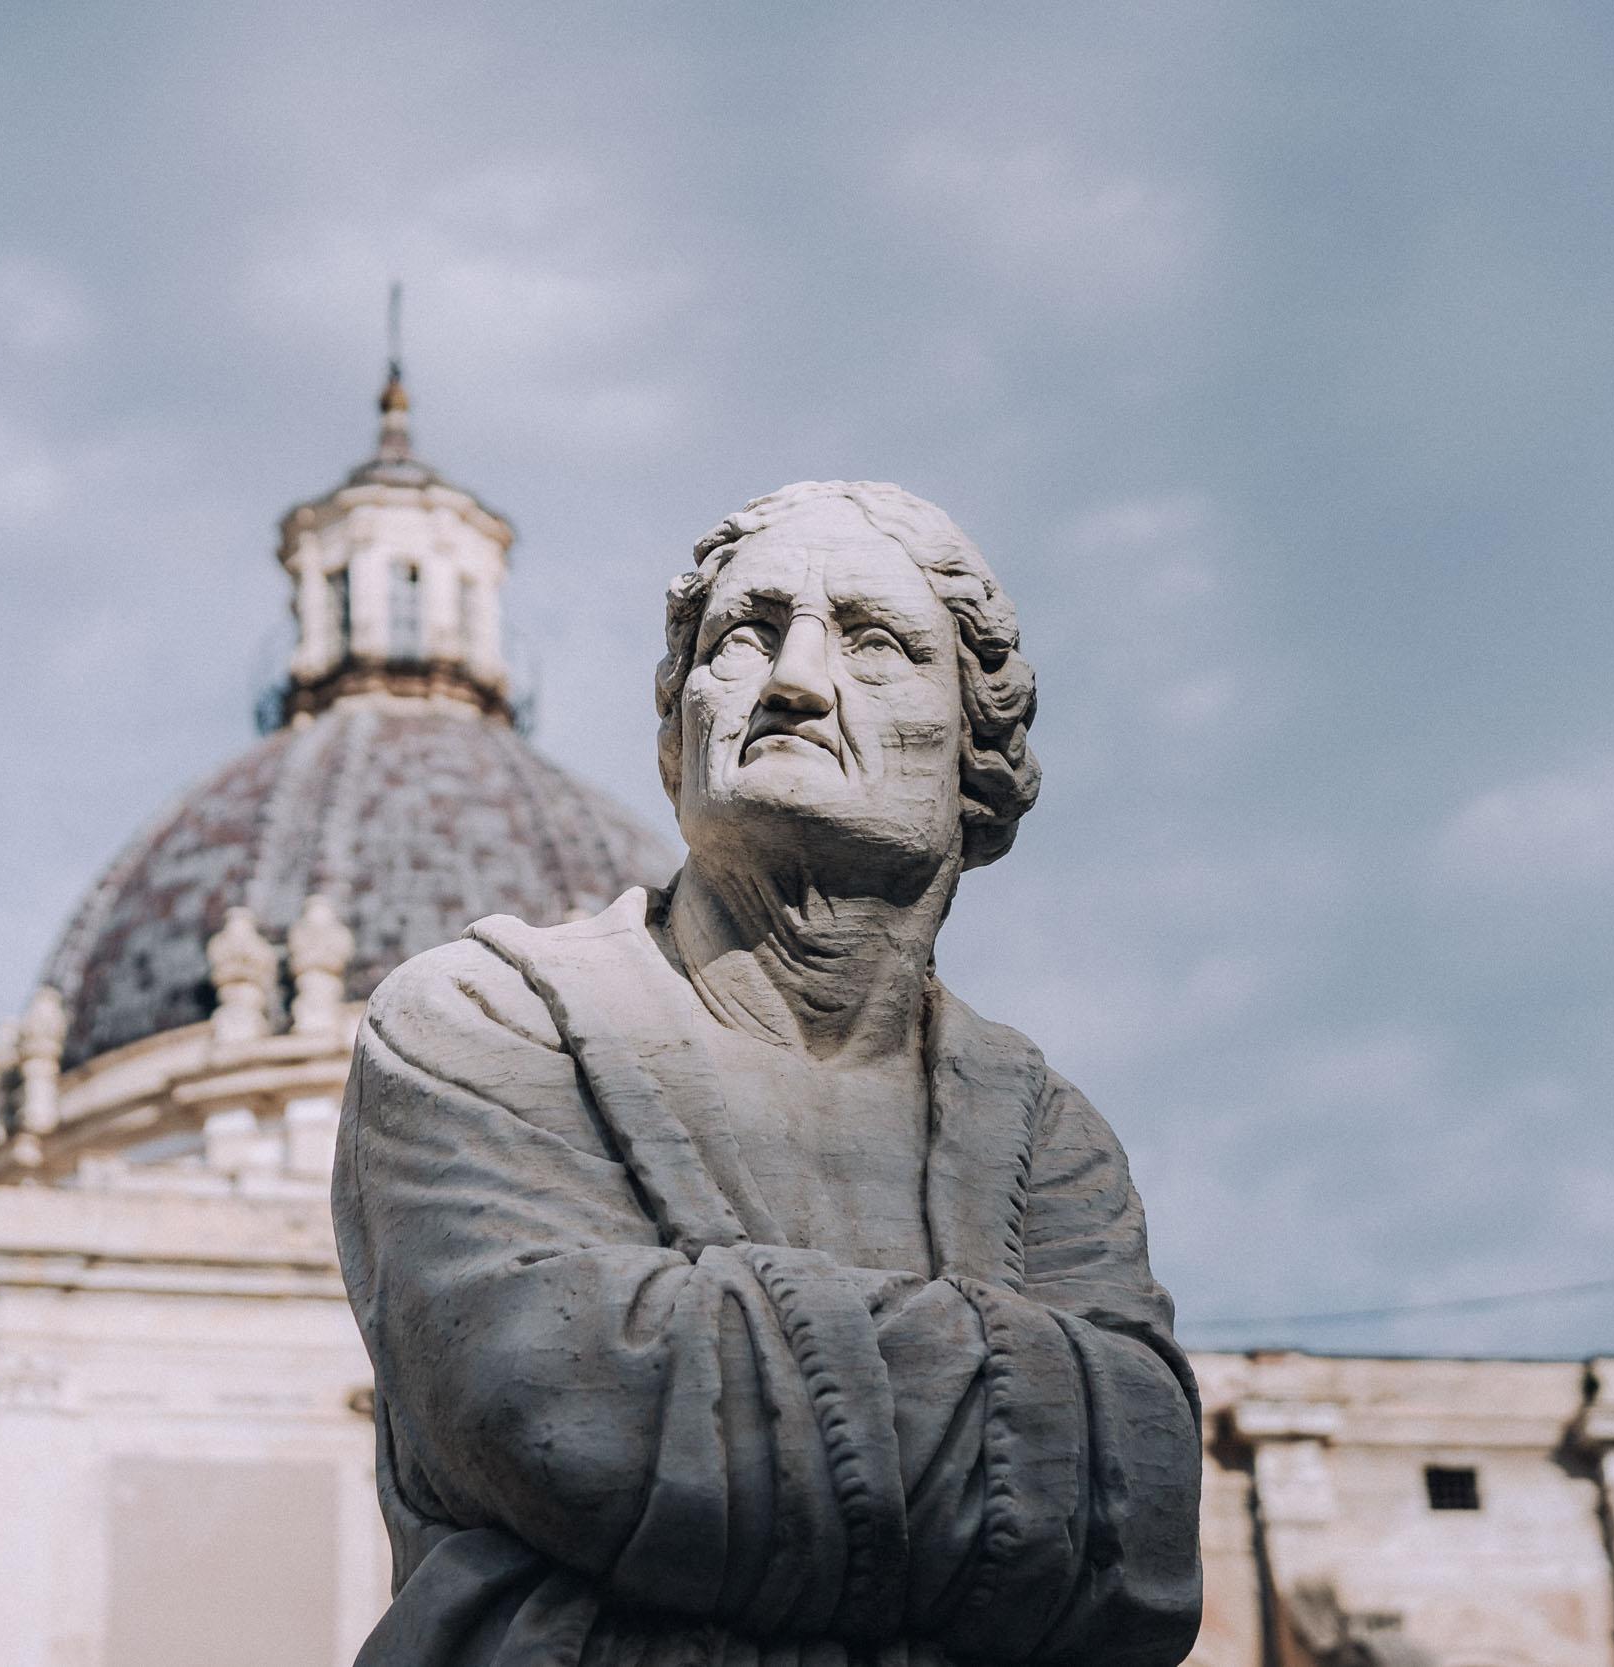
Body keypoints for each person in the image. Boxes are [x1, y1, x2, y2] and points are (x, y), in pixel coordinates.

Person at [333, 481, 1203, 1667]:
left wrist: (703, 1352)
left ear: (974, 748)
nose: (794, 679)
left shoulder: (1049, 1131)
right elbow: (553, 1405)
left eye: (875, 642)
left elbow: (1143, 1518)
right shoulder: (478, 1014)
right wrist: (1032, 1401)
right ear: (676, 724)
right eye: (747, 632)